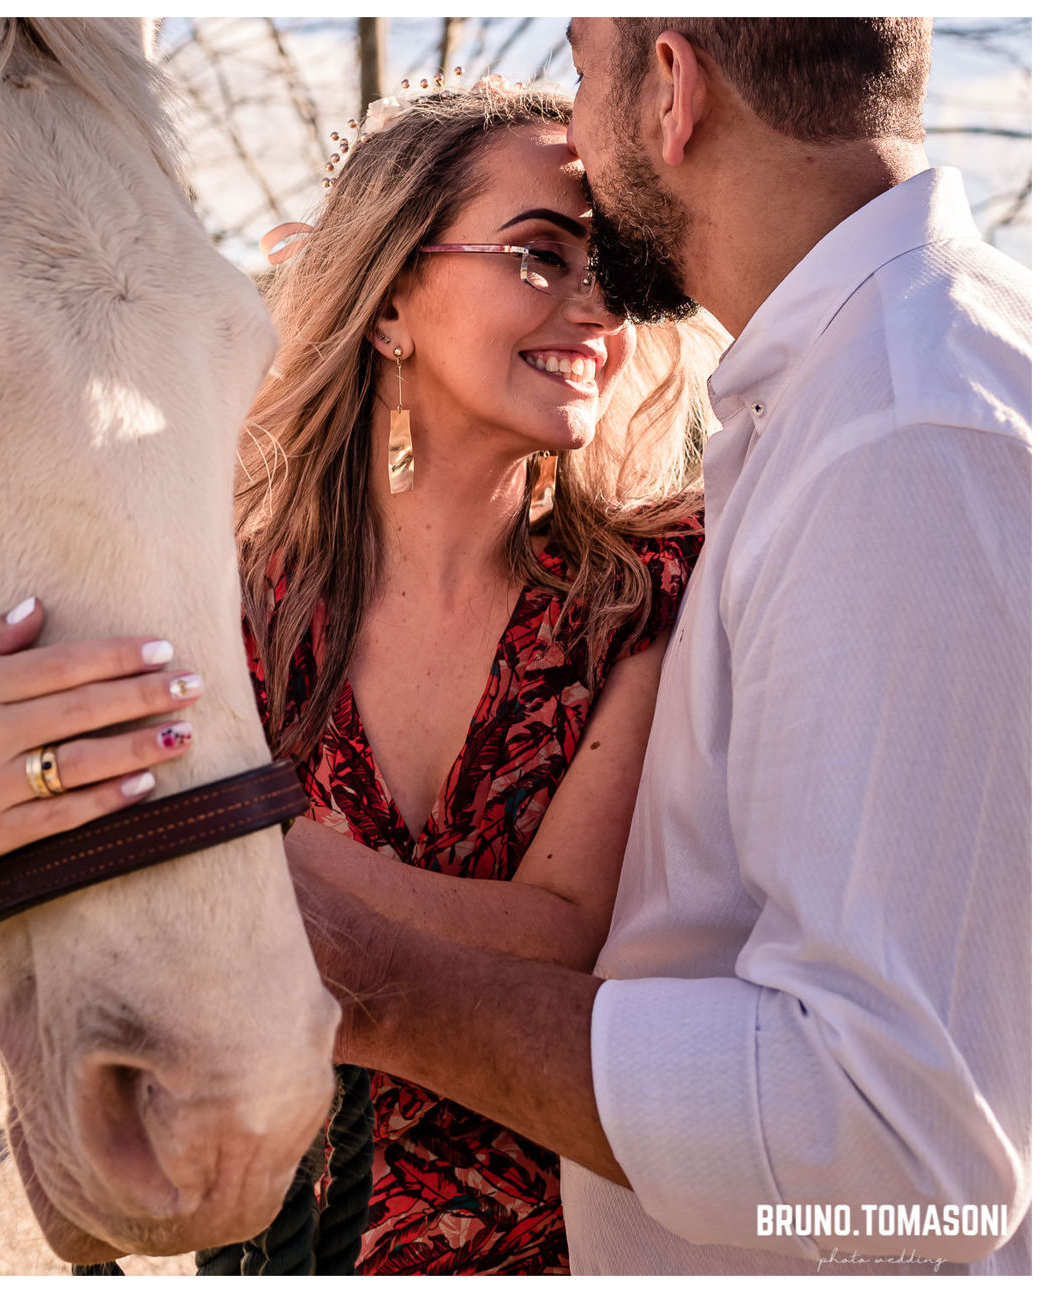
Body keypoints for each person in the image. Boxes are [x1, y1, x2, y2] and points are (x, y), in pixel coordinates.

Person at [0, 79, 723, 1273]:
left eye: (611, 270)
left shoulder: (648, 590)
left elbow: (564, 932)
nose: (595, 310)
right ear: (391, 306)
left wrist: (223, 849)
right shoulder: (223, 585)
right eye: (540, 254)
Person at [287, 16, 1031, 1277]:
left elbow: (909, 1164)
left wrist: (376, 985)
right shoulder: (838, 403)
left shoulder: (907, 431)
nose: (576, 127)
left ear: (672, 89)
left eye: (581, 66)